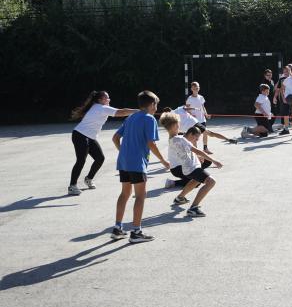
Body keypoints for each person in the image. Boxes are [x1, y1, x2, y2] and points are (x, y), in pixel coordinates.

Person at [111, 91, 169, 243]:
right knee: (140, 195)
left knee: (124, 194)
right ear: (151, 104)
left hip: (123, 162)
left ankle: (117, 228)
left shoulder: (131, 117)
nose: (156, 108)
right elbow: (151, 143)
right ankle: (136, 232)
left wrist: (124, 152)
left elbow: (115, 137)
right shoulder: (149, 119)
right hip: (137, 163)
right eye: (156, 104)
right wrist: (163, 161)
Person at [68, 91, 138, 195]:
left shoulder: (98, 107)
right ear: (100, 100)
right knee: (81, 160)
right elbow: (121, 112)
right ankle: (72, 186)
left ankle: (88, 178)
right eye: (106, 98)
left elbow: (120, 112)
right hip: (80, 135)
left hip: (89, 137)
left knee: (100, 158)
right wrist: (137, 111)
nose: (109, 100)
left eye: (108, 98)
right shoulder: (101, 108)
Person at [159, 114, 220, 216]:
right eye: (179, 124)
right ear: (175, 125)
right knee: (211, 182)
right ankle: (193, 208)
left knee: (196, 180)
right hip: (192, 168)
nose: (180, 125)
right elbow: (197, 150)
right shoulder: (180, 139)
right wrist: (214, 160)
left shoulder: (173, 139)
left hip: (187, 169)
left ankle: (180, 198)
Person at [185, 81, 213, 154]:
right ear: (191, 89)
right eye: (194, 88)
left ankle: (205, 148)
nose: (196, 89)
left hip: (202, 119)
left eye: (197, 88)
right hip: (194, 121)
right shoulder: (189, 99)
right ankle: (196, 151)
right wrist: (191, 115)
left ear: (199, 88)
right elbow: (187, 109)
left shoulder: (201, 97)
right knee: (195, 136)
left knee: (205, 133)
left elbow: (203, 107)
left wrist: (206, 115)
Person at [274, 65, 292, 135]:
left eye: (287, 71)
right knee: (285, 114)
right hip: (284, 99)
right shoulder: (282, 79)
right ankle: (286, 129)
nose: (285, 72)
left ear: (290, 71)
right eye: (284, 71)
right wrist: (275, 97)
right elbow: (279, 89)